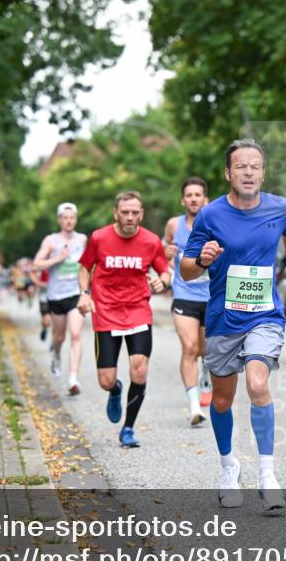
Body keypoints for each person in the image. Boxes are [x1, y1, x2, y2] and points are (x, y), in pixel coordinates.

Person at [180, 138, 286, 513]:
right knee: (221, 400)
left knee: (258, 383)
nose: (249, 172)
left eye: (255, 166)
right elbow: (186, 271)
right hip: (223, 317)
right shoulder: (210, 216)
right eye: (241, 166)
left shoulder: (280, 208)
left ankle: (268, 475)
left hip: (264, 315)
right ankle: (228, 467)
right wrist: (203, 260)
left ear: (263, 172)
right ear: (228, 173)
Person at [76, 190, 170, 449]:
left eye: (134, 212)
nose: (130, 217)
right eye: (125, 212)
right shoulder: (99, 237)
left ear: (142, 214)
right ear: (115, 213)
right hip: (106, 312)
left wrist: (161, 281)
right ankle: (115, 390)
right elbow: (85, 267)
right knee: (106, 380)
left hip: (138, 310)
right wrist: (84, 294)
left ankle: (128, 428)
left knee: (139, 369)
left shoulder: (151, 241)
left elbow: (165, 272)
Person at [164, 176, 213, 426]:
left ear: (205, 199)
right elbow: (164, 251)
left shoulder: (215, 222)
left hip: (210, 296)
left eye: (198, 195)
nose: (193, 199)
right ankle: (194, 405)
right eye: (189, 195)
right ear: (183, 200)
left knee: (206, 350)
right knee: (190, 348)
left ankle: (206, 376)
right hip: (184, 295)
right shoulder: (174, 225)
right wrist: (166, 253)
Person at [34, 202, 87, 395]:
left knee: (75, 334)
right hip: (56, 296)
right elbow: (37, 264)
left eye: (72, 217)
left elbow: (88, 264)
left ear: (76, 219)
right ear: (59, 220)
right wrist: (57, 258)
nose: (69, 221)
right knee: (59, 336)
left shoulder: (82, 239)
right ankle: (56, 355)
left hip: (75, 293)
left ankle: (73, 378)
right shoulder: (51, 241)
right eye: (65, 218)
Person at [28, 266, 51, 343]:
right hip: (44, 297)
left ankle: (55, 342)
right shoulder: (43, 263)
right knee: (46, 319)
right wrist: (39, 283)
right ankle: (45, 328)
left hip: (58, 297)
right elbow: (32, 272)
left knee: (56, 321)